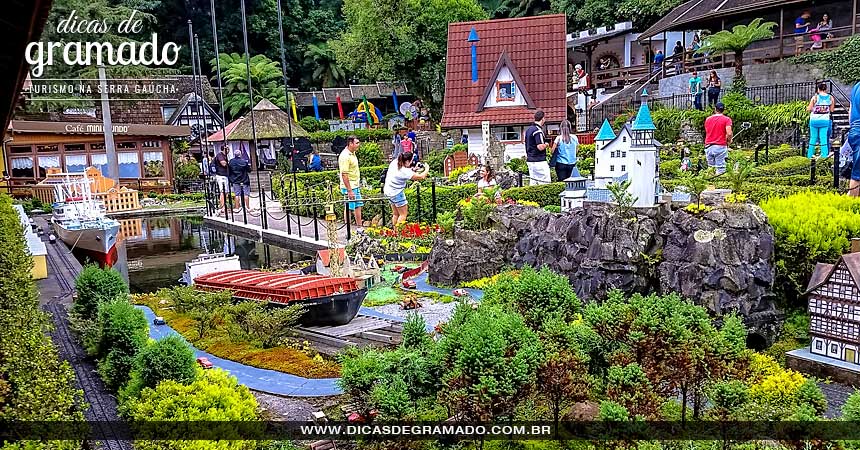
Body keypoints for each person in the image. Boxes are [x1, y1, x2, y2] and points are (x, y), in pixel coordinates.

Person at [383, 151, 427, 225]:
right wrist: (427, 168)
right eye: (412, 160)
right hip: (396, 193)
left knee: (395, 214)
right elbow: (422, 176)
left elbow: (406, 170)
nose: (412, 162)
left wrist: (413, 169)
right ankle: (399, 234)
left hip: (388, 191)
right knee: (403, 214)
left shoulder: (395, 162)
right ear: (407, 161)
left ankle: (395, 233)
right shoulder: (404, 171)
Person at [338, 135, 363, 226]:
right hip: (350, 186)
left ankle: (358, 227)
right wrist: (349, 190)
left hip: (354, 185)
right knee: (350, 207)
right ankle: (349, 228)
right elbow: (344, 174)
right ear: (350, 144)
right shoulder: (345, 156)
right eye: (356, 143)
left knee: (356, 206)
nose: (358, 145)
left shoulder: (352, 153)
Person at [704, 102, 733, 175]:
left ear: (715, 109)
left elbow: (708, 131)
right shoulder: (727, 119)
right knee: (720, 169)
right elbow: (729, 133)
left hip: (708, 146)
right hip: (720, 146)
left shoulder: (708, 119)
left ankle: (710, 184)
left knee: (710, 169)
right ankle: (719, 184)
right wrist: (729, 141)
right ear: (724, 110)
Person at [807, 81, 834, 159]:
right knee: (823, 138)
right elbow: (832, 110)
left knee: (813, 138)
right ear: (826, 89)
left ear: (818, 89)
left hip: (814, 120)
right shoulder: (830, 98)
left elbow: (809, 109)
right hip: (825, 120)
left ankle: (810, 155)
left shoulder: (815, 97)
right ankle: (824, 156)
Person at [524, 110, 551, 185]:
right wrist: (546, 144)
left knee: (533, 182)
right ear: (542, 119)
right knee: (545, 182)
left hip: (530, 160)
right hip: (539, 160)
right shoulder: (538, 131)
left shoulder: (528, 130)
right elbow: (540, 147)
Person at [847, 81, 860, 196]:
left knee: (857, 173)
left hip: (855, 130)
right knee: (857, 175)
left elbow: (850, 113)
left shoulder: (856, 86)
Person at [214, 145, 230, 213]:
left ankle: (224, 206)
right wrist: (229, 163)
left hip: (225, 175)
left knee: (226, 192)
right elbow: (223, 163)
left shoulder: (225, 156)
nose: (229, 150)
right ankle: (222, 207)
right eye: (228, 149)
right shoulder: (220, 155)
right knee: (222, 191)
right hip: (221, 175)